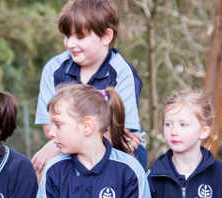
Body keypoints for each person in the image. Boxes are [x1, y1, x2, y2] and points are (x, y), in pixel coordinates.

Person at [32, 0, 147, 173]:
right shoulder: (53, 69)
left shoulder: (122, 72)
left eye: (79, 37)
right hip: (64, 146)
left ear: (106, 36)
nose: (70, 44)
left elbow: (117, 132)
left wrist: (56, 145)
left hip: (115, 147)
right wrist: (54, 145)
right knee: (43, 164)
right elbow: (51, 128)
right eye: (67, 36)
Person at [29, 84, 154, 198]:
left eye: (58, 124)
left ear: (87, 126)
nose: (51, 133)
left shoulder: (130, 170)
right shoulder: (54, 170)